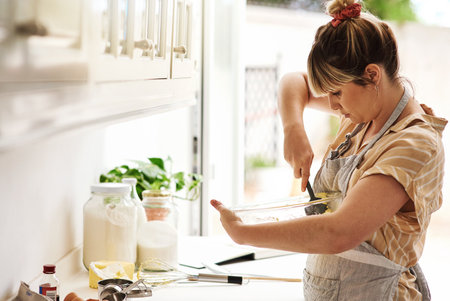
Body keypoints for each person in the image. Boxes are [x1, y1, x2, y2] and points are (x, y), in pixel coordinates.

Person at [210, 0, 447, 300]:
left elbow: (339, 232)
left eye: (337, 92)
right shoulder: (361, 118)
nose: (333, 105)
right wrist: (293, 129)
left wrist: (244, 234)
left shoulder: (414, 144)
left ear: (372, 75)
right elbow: (294, 81)